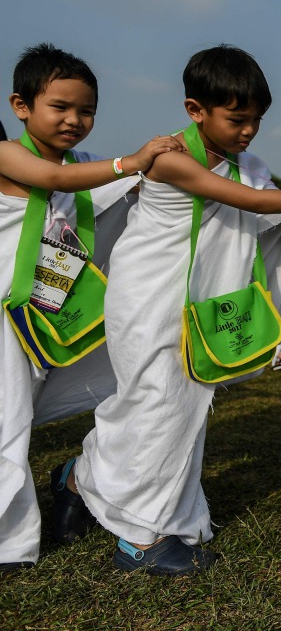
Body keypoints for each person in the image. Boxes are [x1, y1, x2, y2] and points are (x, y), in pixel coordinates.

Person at [71, 45, 281, 576]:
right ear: (195, 109)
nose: (249, 131)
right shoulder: (170, 158)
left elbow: (276, 215)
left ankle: (82, 482)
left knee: (181, 412)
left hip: (203, 306)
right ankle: (138, 538)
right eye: (237, 119)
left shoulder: (248, 167)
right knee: (153, 406)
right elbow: (253, 204)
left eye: (256, 120)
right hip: (148, 302)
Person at [0, 43, 182, 572]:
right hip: (7, 315)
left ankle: (78, 479)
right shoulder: (11, 154)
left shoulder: (87, 169)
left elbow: (111, 188)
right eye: (60, 107)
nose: (75, 120)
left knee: (118, 391)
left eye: (87, 111)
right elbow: (53, 179)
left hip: (56, 318)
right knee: (8, 424)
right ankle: (10, 547)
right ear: (21, 105)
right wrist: (133, 161)